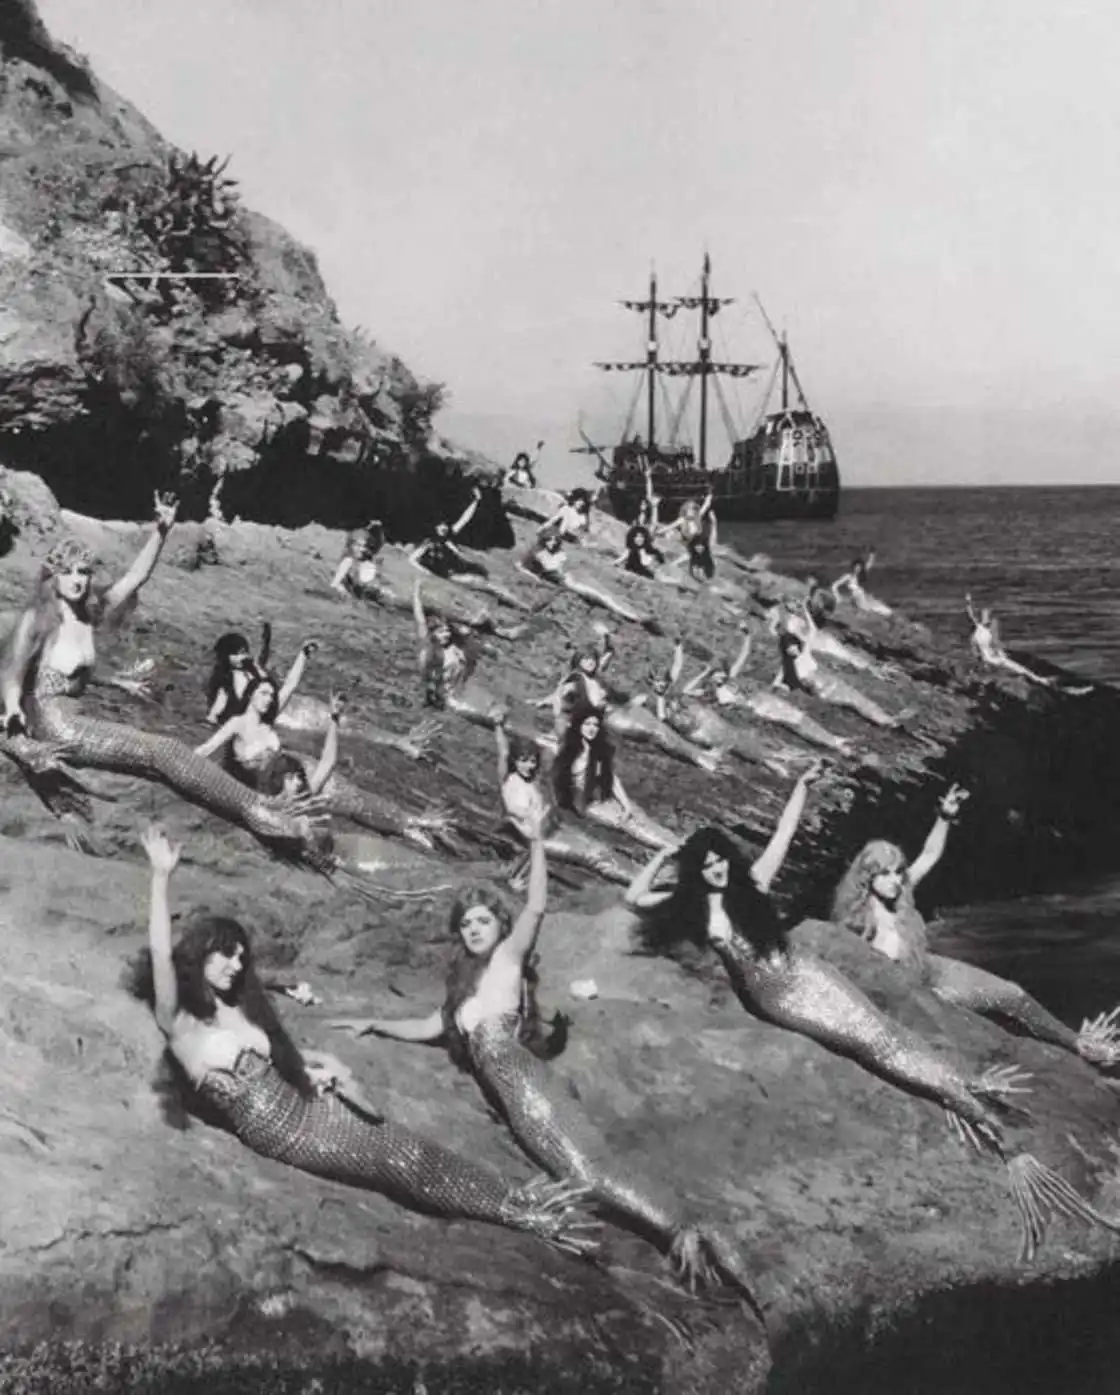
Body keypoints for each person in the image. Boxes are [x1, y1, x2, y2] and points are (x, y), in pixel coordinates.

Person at [626, 771, 1120, 1262]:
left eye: (719, 860)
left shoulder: (753, 881)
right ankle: (978, 1109)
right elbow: (634, 898)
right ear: (696, 870)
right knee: (864, 1047)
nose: (716, 869)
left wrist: (802, 787)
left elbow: (784, 832)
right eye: (706, 865)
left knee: (881, 1032)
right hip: (776, 999)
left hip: (805, 972)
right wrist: (664, 857)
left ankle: (979, 1108)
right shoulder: (692, 906)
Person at [327, 816, 756, 1301]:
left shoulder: (508, 959)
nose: (473, 929)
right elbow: (431, 1025)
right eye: (466, 924)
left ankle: (688, 1229)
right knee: (577, 1179)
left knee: (591, 1171)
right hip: (515, 1101)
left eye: (482, 921)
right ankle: (684, 1241)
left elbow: (535, 906)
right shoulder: (466, 983)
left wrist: (535, 844)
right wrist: (373, 1023)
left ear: (499, 926)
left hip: (528, 1084)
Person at [133, 826, 595, 1254]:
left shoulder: (232, 1007)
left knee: (407, 1143)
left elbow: (277, 1057)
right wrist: (159, 878)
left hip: (312, 1104)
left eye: (240, 958)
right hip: (287, 1134)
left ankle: (519, 1199)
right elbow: (159, 954)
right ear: (200, 954)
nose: (235, 967)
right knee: (400, 1162)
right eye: (225, 956)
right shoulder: (180, 1023)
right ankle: (526, 1216)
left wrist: (321, 1066)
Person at [0, 498, 327, 869]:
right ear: (54, 576)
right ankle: (259, 809)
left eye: (84, 572)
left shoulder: (89, 612)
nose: (78, 580)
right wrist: (12, 709)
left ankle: (255, 806)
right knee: (163, 752)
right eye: (69, 572)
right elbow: (13, 672)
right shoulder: (38, 618)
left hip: (77, 717)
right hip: (58, 724)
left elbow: (134, 578)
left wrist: (161, 531)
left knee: (166, 753)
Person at [831, 784, 1120, 1067]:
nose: (895, 881)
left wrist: (945, 817)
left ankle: (1076, 1043)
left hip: (931, 969)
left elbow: (929, 854)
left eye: (898, 873)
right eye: (886, 874)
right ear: (867, 877)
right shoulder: (854, 922)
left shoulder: (902, 892)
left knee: (1012, 994)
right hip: (910, 994)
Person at [196, 678, 456, 854]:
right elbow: (209, 749)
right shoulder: (244, 736)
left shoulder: (265, 735)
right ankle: (410, 824)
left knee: (352, 799)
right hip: (293, 775)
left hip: (296, 768)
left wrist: (333, 718)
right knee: (351, 801)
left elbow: (289, 688)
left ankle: (409, 823)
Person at [532, 627, 720, 772]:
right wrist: (545, 704)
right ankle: (701, 760)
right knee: (656, 731)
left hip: (624, 708)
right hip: (611, 718)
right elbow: (560, 697)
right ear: (578, 662)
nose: (590, 662)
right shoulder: (574, 680)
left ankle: (700, 754)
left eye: (591, 659)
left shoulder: (596, 673)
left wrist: (606, 636)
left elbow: (609, 651)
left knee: (661, 727)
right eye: (585, 659)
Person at [494, 713, 636, 884]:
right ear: (514, 760)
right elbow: (503, 752)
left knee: (598, 847)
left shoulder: (531, 780)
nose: (529, 766)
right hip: (540, 839)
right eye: (523, 761)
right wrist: (498, 727)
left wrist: (498, 726)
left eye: (532, 761)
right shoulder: (508, 781)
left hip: (554, 828)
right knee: (593, 855)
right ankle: (635, 881)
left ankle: (641, 873)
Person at [414, 581, 554, 753]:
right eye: (441, 632)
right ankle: (540, 739)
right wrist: (416, 596)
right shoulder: (430, 653)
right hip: (456, 700)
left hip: (469, 689)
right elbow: (420, 624)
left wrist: (419, 593)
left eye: (446, 630)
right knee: (497, 718)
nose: (446, 634)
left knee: (505, 709)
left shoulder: (455, 644)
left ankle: (541, 734)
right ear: (432, 634)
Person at [680, 624, 853, 757]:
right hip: (759, 709)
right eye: (715, 675)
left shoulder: (731, 678)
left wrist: (747, 636)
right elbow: (686, 692)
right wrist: (703, 673)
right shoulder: (713, 694)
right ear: (711, 679)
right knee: (796, 723)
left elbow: (744, 654)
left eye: (719, 673)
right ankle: (832, 743)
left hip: (764, 701)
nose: (719, 676)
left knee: (800, 719)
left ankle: (832, 740)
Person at [641, 640, 804, 777]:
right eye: (657, 683)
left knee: (741, 741)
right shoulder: (656, 703)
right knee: (737, 748)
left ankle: (781, 758)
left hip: (708, 721)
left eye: (662, 682)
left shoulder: (679, 691)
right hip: (699, 731)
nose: (661, 685)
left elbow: (678, 666)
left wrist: (678, 649)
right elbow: (662, 719)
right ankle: (775, 763)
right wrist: (661, 699)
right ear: (652, 685)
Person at [552, 704, 676, 851]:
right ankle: (671, 848)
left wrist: (626, 804)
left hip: (603, 795)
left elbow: (611, 778)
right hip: (589, 804)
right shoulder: (566, 751)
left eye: (595, 725)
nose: (592, 728)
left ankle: (677, 842)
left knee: (638, 815)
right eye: (587, 724)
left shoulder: (595, 749)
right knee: (629, 824)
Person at [770, 609, 908, 730]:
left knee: (854, 704)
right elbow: (811, 631)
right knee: (857, 701)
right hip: (830, 686)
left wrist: (774, 691)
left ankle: (881, 720)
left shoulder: (789, 664)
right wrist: (805, 612)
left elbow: (779, 683)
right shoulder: (803, 654)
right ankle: (887, 721)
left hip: (823, 691)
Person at [518, 531, 662, 632]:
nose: (553, 542)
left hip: (575, 574)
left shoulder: (556, 552)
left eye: (555, 539)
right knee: (602, 596)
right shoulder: (539, 554)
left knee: (607, 592)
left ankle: (637, 612)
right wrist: (535, 577)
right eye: (549, 539)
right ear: (543, 540)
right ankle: (635, 616)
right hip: (569, 580)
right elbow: (520, 565)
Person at [409, 488, 528, 610]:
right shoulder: (430, 543)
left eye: (445, 525)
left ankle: (518, 603)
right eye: (441, 526)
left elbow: (465, 519)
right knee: (490, 587)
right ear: (435, 529)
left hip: (462, 570)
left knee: (491, 585)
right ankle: (521, 605)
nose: (444, 527)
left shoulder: (447, 537)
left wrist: (476, 501)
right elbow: (412, 559)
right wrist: (426, 572)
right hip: (454, 575)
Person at [963, 594, 1090, 693]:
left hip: (992, 658)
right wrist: (1000, 654)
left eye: (988, 615)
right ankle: (1045, 682)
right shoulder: (983, 630)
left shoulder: (980, 630)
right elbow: (973, 616)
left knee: (1021, 669)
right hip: (994, 659)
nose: (988, 618)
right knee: (1022, 670)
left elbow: (971, 614)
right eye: (987, 616)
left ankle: (1044, 681)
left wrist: (969, 601)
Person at [205, 625, 314, 727]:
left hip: (260, 714)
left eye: (244, 653)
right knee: (287, 687)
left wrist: (266, 643)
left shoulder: (249, 667)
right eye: (237, 654)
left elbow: (262, 660)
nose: (242, 657)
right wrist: (212, 720)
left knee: (289, 686)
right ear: (226, 656)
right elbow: (216, 709)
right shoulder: (225, 680)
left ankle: (304, 653)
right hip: (245, 720)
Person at [832, 549, 892, 617]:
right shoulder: (848, 576)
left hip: (863, 596)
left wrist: (872, 555)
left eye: (860, 567)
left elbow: (869, 564)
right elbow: (834, 585)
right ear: (853, 567)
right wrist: (837, 597)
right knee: (869, 610)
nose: (858, 568)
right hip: (856, 598)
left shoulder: (861, 576)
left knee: (884, 610)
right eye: (856, 567)